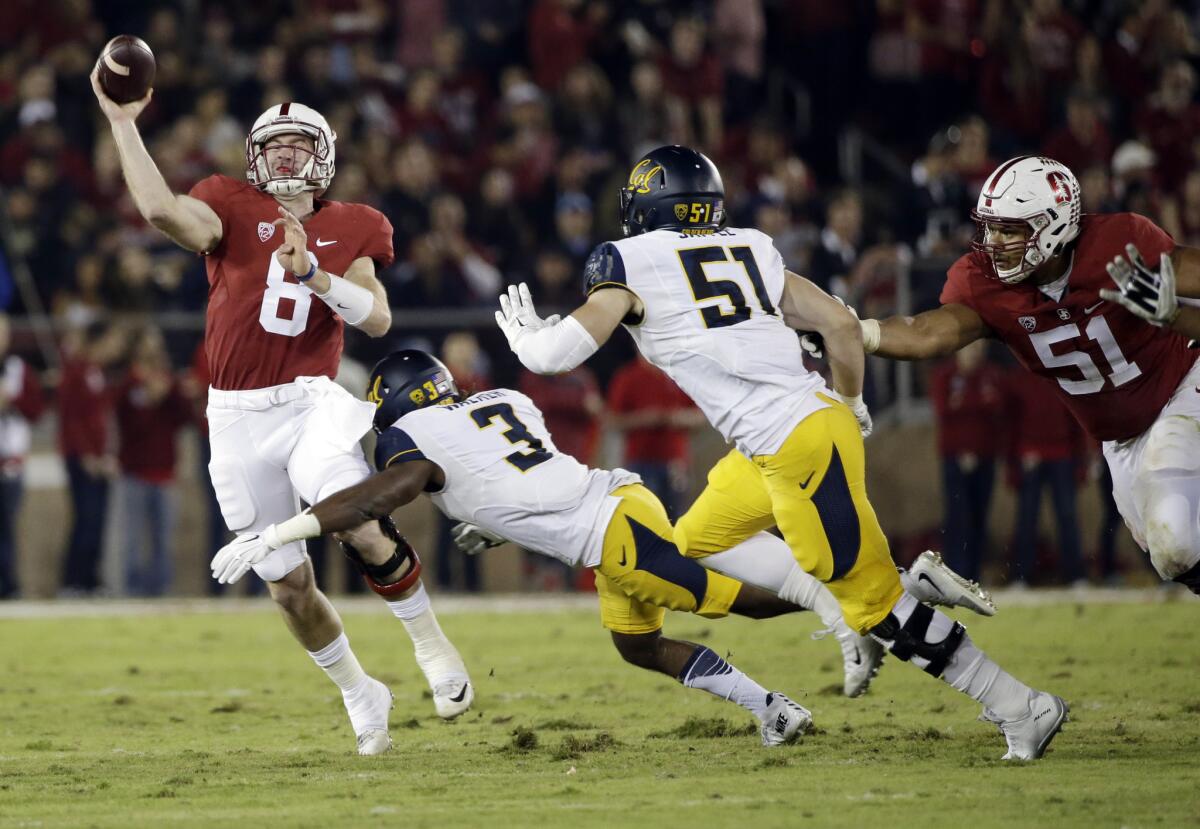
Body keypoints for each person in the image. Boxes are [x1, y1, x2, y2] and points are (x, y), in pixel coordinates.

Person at [494, 145, 1061, 760]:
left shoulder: (628, 260)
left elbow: (556, 357)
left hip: (792, 443)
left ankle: (1019, 705)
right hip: (790, 433)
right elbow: (842, 326)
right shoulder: (751, 247)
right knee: (702, 541)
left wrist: (526, 339)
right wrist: (850, 402)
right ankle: (897, 583)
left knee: (874, 610)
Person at [92, 69, 472, 755]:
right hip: (233, 414)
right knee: (289, 588)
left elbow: (378, 317)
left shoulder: (355, 222)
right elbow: (159, 211)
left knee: (353, 517)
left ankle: (432, 646)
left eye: (299, 143)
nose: (286, 155)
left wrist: (312, 275)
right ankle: (362, 690)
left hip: (310, 400)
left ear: (323, 154)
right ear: (253, 155)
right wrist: (124, 124)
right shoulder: (227, 204)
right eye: (275, 144)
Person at [213, 351, 876, 743]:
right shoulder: (502, 401)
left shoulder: (410, 437)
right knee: (637, 645)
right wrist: (492, 522)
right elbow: (516, 479)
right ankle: (774, 710)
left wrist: (279, 531)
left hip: (612, 534)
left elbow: (371, 501)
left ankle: (870, 604)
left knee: (751, 603)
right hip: (613, 507)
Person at [840, 155, 1200, 595]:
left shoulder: (1120, 244)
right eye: (991, 227)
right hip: (1120, 438)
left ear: (1053, 226)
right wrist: (854, 332)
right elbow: (927, 333)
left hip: (1180, 392)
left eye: (1010, 229)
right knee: (1174, 558)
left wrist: (1175, 314)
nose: (995, 242)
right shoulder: (988, 285)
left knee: (1177, 541)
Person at [113, 325, 193, 597]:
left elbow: (185, 417)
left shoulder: (168, 381)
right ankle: (132, 591)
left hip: (164, 473)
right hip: (135, 472)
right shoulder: (128, 385)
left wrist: (168, 392)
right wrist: (149, 396)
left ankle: (160, 591)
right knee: (132, 539)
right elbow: (130, 427)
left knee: (163, 539)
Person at [929, 340, 1006, 583]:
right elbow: (944, 411)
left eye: (979, 349)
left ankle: (973, 574)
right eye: (970, 349)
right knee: (957, 516)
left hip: (985, 456)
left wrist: (967, 406)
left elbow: (998, 410)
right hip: (955, 457)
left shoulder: (991, 374)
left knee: (979, 516)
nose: (975, 354)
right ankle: (955, 574)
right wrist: (964, 446)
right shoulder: (945, 375)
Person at [0, 313, 45, 599]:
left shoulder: (18, 369)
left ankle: (8, 583)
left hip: (9, 463)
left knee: (7, 525)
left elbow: (36, 409)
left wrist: (10, 400)